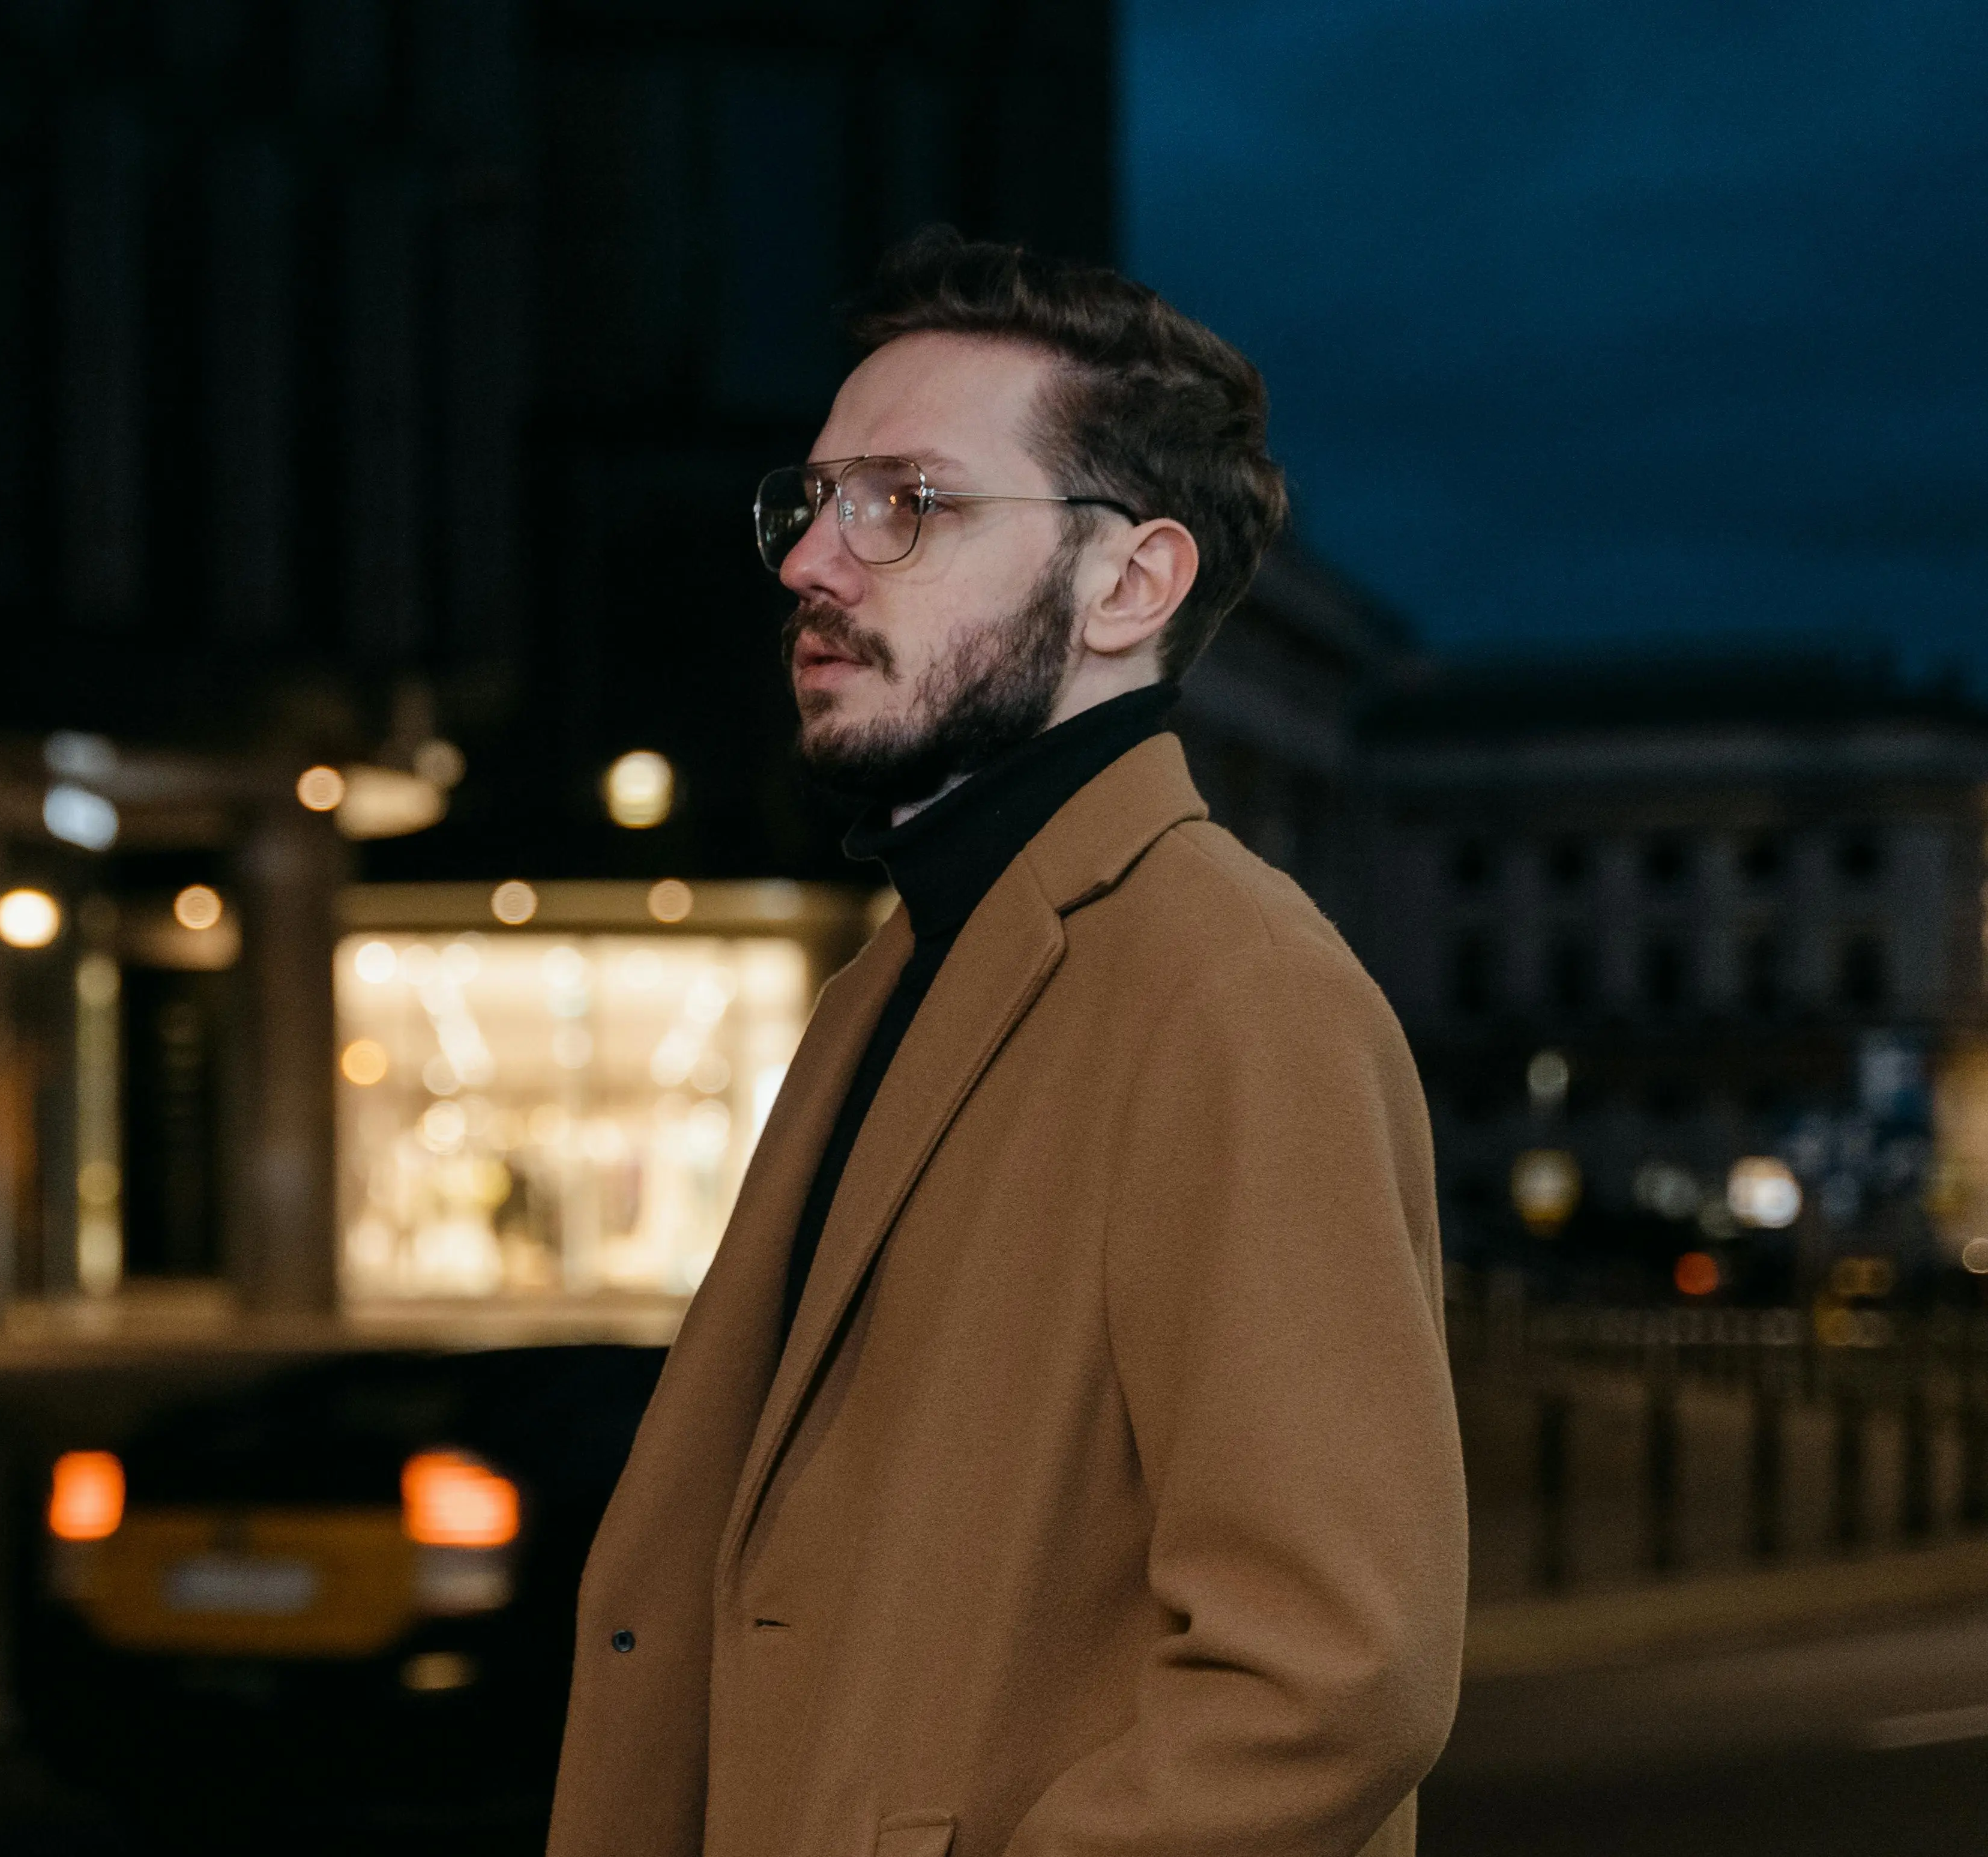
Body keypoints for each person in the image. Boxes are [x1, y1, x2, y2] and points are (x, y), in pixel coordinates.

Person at [545, 229, 1466, 1857]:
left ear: (1129, 584)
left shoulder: (1232, 991)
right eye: (811, 502)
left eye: (906, 502)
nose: (811, 562)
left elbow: (1331, 1670)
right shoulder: (903, 972)